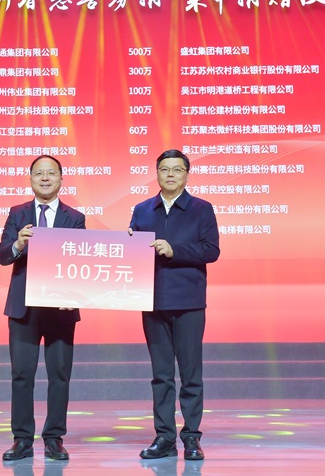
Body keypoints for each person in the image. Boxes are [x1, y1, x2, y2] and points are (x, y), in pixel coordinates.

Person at [128, 149, 220, 461]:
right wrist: (128, 243)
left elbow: (211, 250)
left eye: (177, 169)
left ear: (186, 175)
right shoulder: (142, 209)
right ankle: (165, 437)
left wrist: (174, 250)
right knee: (161, 375)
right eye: (164, 169)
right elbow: (133, 251)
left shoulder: (202, 209)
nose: (170, 174)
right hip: (152, 301)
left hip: (189, 302)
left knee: (191, 375)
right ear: (157, 173)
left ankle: (191, 437)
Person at [0, 155, 86, 462]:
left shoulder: (75, 217)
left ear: (61, 179)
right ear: (31, 178)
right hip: (24, 308)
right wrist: (18, 244)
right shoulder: (17, 213)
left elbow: (81, 261)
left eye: (51, 173)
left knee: (60, 374)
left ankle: (54, 438)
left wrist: (76, 294)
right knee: (22, 374)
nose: (45, 178)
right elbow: (2, 256)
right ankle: (22, 439)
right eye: (39, 173)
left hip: (60, 308)